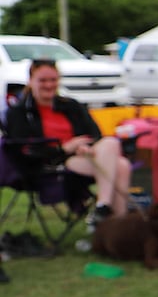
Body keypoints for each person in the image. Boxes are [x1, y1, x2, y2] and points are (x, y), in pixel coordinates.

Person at [3, 59, 132, 230]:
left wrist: (85, 145)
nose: (49, 85)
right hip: (52, 165)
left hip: (86, 157)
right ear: (30, 81)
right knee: (121, 165)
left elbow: (95, 133)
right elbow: (24, 150)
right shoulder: (19, 113)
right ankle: (114, 222)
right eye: (42, 80)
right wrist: (63, 149)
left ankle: (107, 214)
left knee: (112, 147)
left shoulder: (71, 105)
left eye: (53, 80)